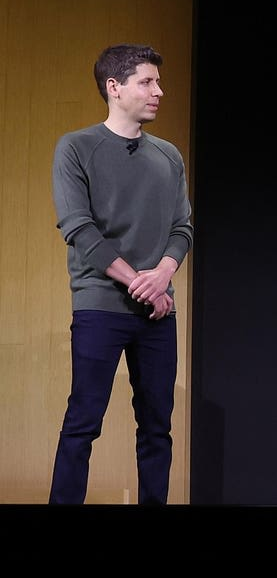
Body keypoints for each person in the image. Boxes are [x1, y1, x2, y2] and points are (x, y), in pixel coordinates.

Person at [49, 43, 193, 505]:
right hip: (101, 307)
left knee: (157, 428)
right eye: (147, 82)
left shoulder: (168, 156)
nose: (159, 91)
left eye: (158, 82)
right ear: (114, 87)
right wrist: (141, 283)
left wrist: (164, 273)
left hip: (158, 313)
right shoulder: (76, 147)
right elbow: (80, 229)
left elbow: (182, 227)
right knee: (83, 423)